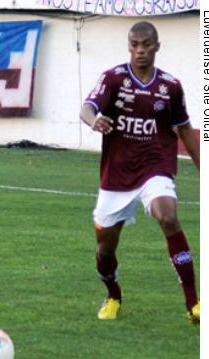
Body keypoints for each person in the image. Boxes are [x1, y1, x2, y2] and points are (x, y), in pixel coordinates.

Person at [81, 22, 201, 325]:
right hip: (117, 174)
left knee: (168, 216)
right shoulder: (114, 79)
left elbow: (184, 129)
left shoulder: (170, 86)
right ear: (129, 46)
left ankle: (193, 303)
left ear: (157, 46)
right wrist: (94, 121)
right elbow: (86, 108)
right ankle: (113, 295)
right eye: (134, 44)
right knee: (104, 248)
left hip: (155, 167)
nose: (140, 50)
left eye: (146, 44)